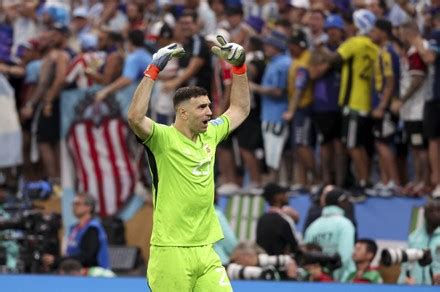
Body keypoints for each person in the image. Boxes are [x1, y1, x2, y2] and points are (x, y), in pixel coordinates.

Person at [127, 35, 250, 291]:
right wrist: (153, 70)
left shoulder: (211, 133)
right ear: (183, 113)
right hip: (170, 251)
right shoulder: (162, 138)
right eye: (202, 108)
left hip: (205, 250)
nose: (209, 112)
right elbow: (136, 118)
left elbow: (239, 109)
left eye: (209, 106)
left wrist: (238, 68)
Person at [42, 192, 110, 270]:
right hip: (74, 271)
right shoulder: (74, 229)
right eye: (73, 204)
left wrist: (57, 261)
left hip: (93, 274)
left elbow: (87, 258)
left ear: (89, 207)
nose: (74, 207)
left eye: (77, 204)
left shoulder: (93, 228)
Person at [304, 188, 356, 282]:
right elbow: (344, 256)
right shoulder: (345, 224)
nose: (347, 204)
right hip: (339, 282)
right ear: (341, 202)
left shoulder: (312, 226)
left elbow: (306, 256)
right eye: (345, 201)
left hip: (316, 280)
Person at [398, 198, 440, 285]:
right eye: (430, 211)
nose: (435, 214)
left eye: (438, 210)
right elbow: (405, 265)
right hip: (415, 287)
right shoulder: (414, 237)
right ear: (425, 214)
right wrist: (404, 280)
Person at [256, 183, 299, 255]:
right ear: (277, 197)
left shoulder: (261, 219)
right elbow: (293, 247)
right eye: (284, 193)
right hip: (282, 263)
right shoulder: (285, 219)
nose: (286, 196)